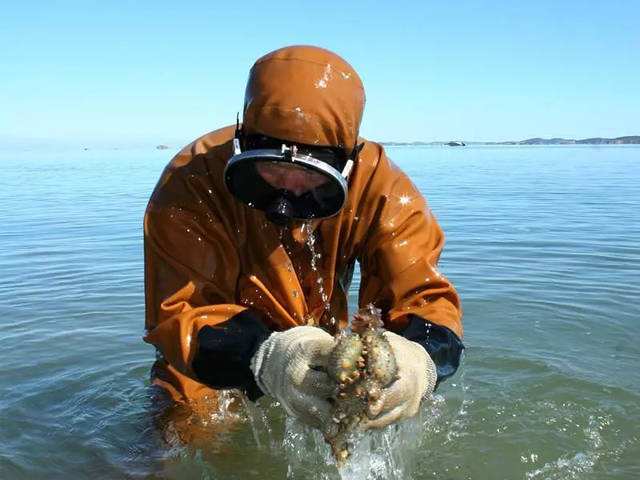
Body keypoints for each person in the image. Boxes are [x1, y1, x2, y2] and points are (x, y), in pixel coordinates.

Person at [143, 45, 464, 433]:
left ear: (348, 160)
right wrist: (264, 357)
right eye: (272, 167)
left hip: (322, 355)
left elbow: (423, 297)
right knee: (183, 440)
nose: (287, 194)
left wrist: (420, 362)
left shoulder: (380, 185)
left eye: (311, 174)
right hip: (206, 363)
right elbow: (179, 312)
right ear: (244, 141)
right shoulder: (192, 182)